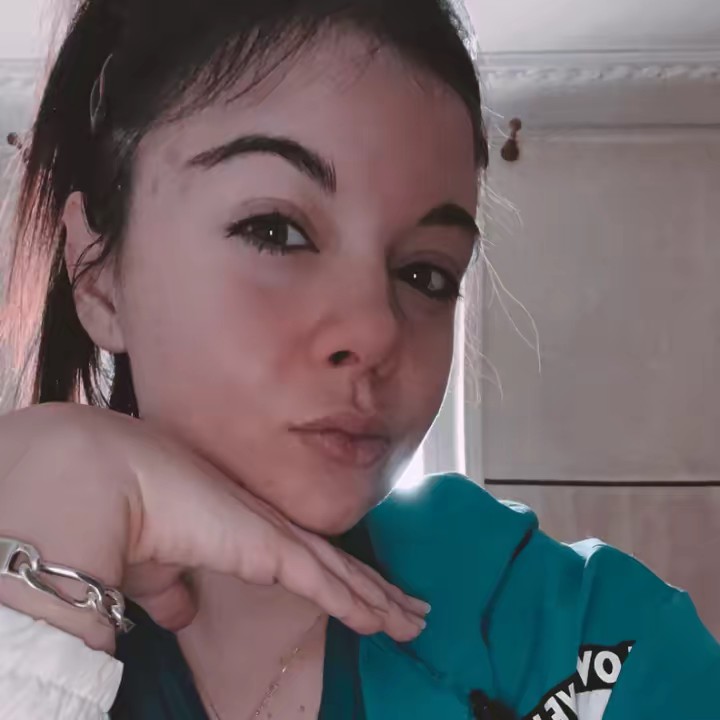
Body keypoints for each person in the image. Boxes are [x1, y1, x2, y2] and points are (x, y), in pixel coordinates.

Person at [0, 0, 718, 718]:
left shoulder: (591, 644)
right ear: (98, 274)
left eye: (425, 274)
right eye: (275, 231)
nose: (377, 331)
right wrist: (36, 611)